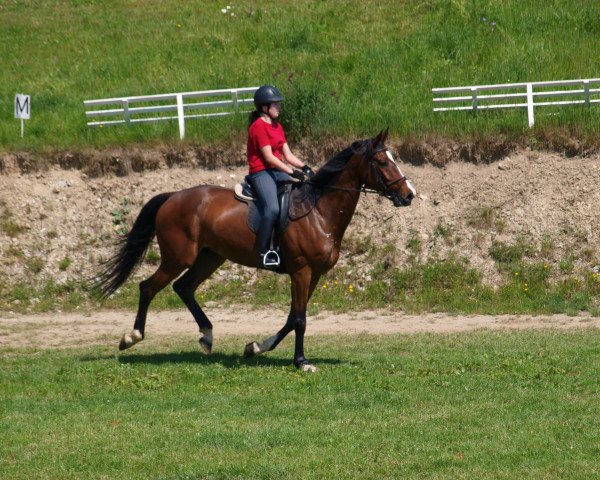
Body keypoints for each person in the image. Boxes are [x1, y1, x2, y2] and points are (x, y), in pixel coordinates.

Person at [246, 84, 313, 269]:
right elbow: (268, 157)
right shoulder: (258, 126)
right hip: (261, 172)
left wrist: (305, 167)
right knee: (273, 209)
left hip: (276, 170)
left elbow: (288, 155)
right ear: (264, 107)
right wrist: (291, 172)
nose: (279, 107)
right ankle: (262, 253)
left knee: (294, 200)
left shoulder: (277, 126)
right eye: (275, 105)